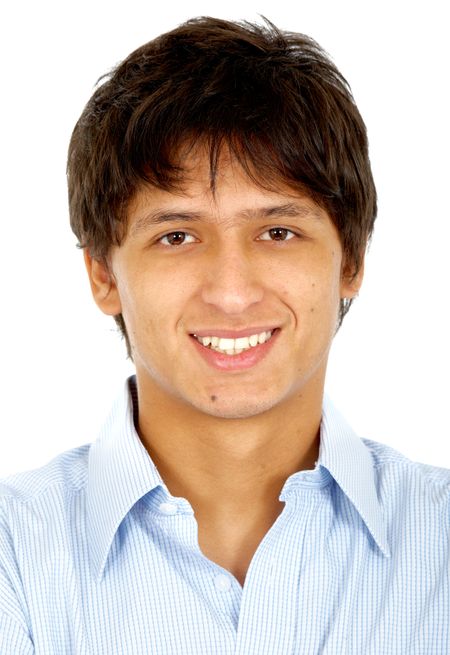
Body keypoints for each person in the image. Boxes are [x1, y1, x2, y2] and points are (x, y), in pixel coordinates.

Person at [0, 15, 448, 654]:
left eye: (278, 232)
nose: (232, 292)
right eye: (176, 236)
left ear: (349, 261)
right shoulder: (12, 555)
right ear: (103, 273)